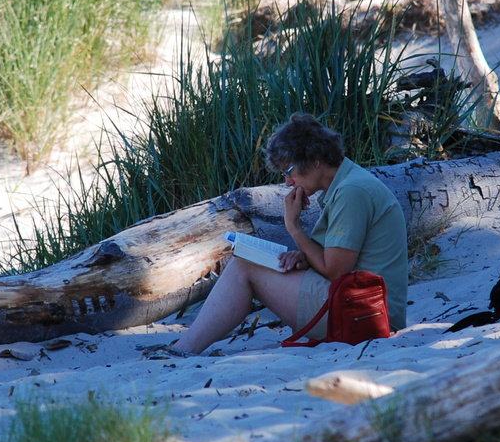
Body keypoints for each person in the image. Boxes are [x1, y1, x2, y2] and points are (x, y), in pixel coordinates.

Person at [157, 113, 408, 356]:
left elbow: (336, 271)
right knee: (245, 261)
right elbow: (341, 260)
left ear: (316, 159)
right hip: (362, 307)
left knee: (245, 266)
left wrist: (294, 227)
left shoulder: (352, 192)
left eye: (289, 171)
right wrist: (305, 257)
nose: (288, 182)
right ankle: (185, 346)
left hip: (365, 315)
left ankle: (183, 349)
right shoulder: (348, 184)